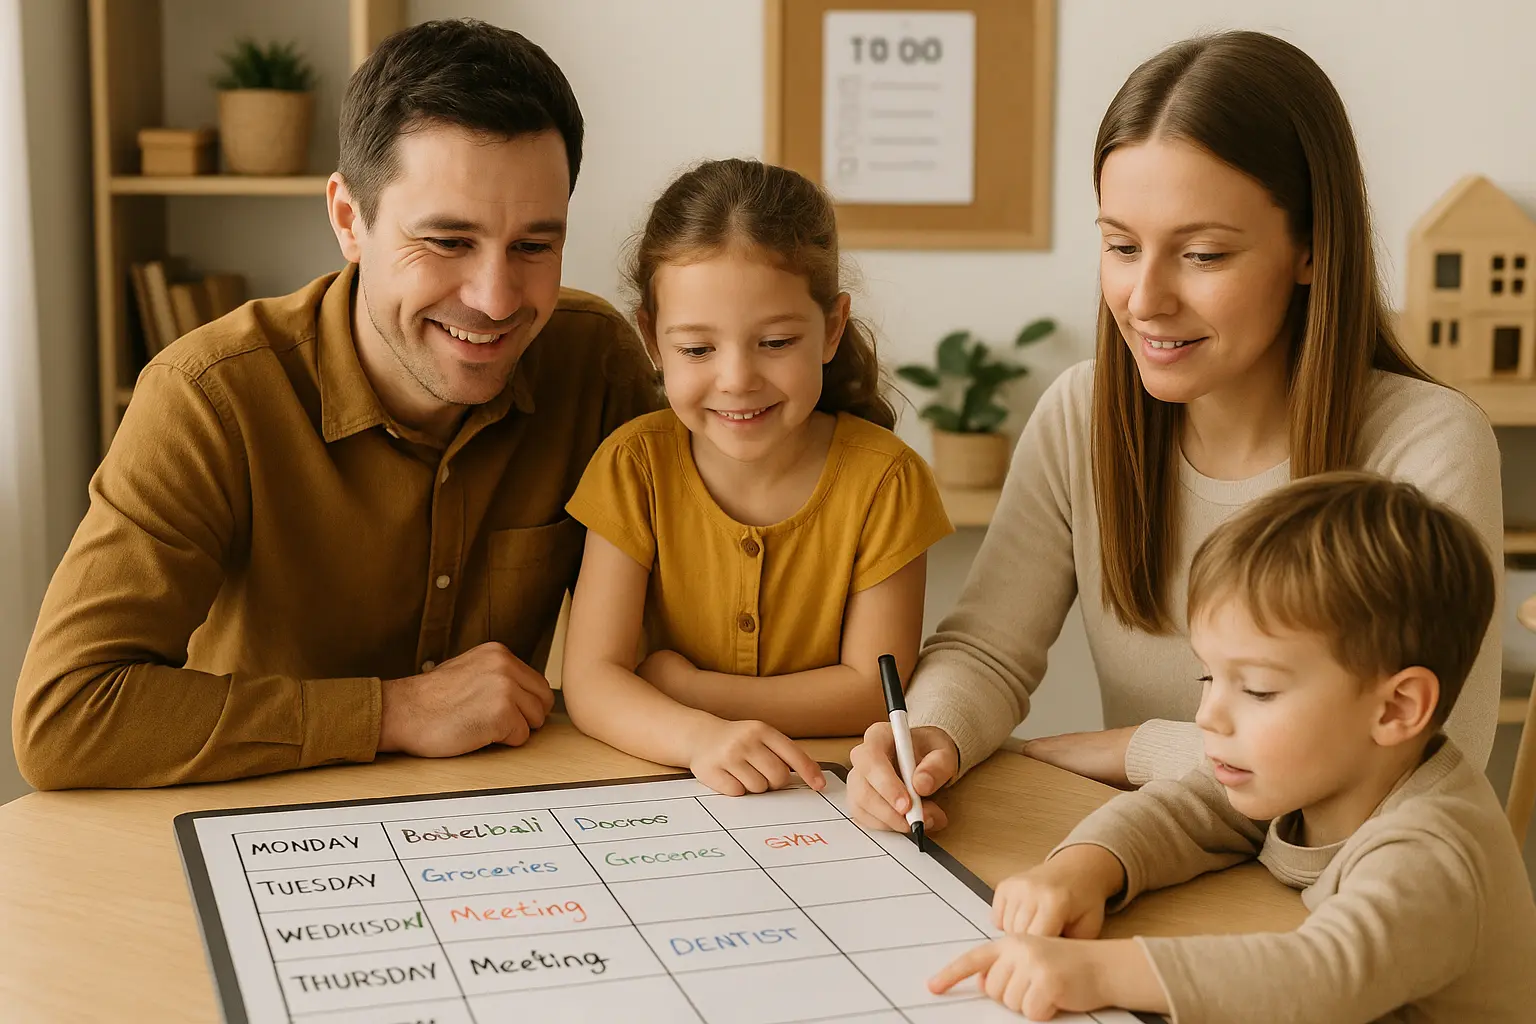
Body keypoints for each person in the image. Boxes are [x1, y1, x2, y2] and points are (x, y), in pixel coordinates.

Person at [845, 30, 1502, 834]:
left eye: (1202, 254)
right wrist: (931, 735)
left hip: (1340, 905)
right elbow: (987, 649)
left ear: (1311, 247)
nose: (1145, 298)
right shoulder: (1081, 416)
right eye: (1121, 246)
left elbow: (1417, 771)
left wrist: (1135, 752)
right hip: (1155, 864)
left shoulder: (1427, 445)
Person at [12, 19, 659, 789]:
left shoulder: (595, 363)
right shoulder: (210, 397)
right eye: (448, 242)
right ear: (349, 220)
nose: (495, 300)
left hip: (497, 831)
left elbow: (698, 606)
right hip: (260, 840)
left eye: (533, 246)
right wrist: (393, 712)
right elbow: (65, 716)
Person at [927, 472, 1536, 1023]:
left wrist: (1095, 972)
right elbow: (1193, 809)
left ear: (1396, 709)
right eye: (1208, 677)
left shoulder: (1433, 850)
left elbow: (1322, 977)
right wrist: (1079, 870)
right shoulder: (1318, 773)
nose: (1207, 714)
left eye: (1260, 689)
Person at [560, 159, 953, 797]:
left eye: (774, 342)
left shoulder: (889, 482)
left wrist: (689, 690)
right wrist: (697, 736)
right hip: (661, 786)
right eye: (696, 349)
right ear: (652, 341)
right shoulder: (634, 467)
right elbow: (592, 680)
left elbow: (868, 694)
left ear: (830, 330)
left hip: (831, 797)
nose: (737, 378)